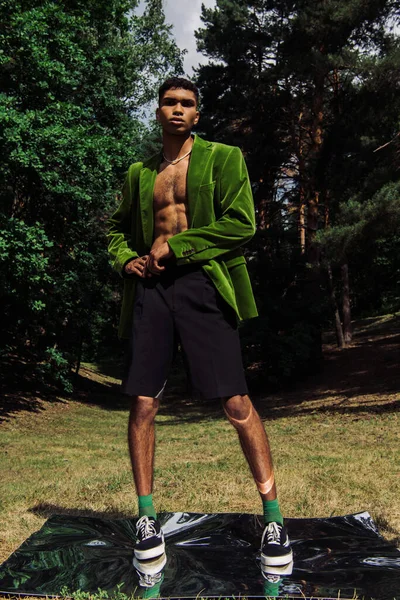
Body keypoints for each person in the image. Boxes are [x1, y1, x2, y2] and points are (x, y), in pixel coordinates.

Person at [107, 77, 292, 568]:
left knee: (235, 401)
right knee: (144, 400)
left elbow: (242, 223)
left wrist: (180, 246)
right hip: (151, 290)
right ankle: (146, 517)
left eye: (187, 104)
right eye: (169, 102)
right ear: (157, 110)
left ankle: (273, 518)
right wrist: (127, 260)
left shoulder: (223, 158)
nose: (177, 110)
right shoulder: (139, 173)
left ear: (197, 114)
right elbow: (115, 231)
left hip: (204, 285)